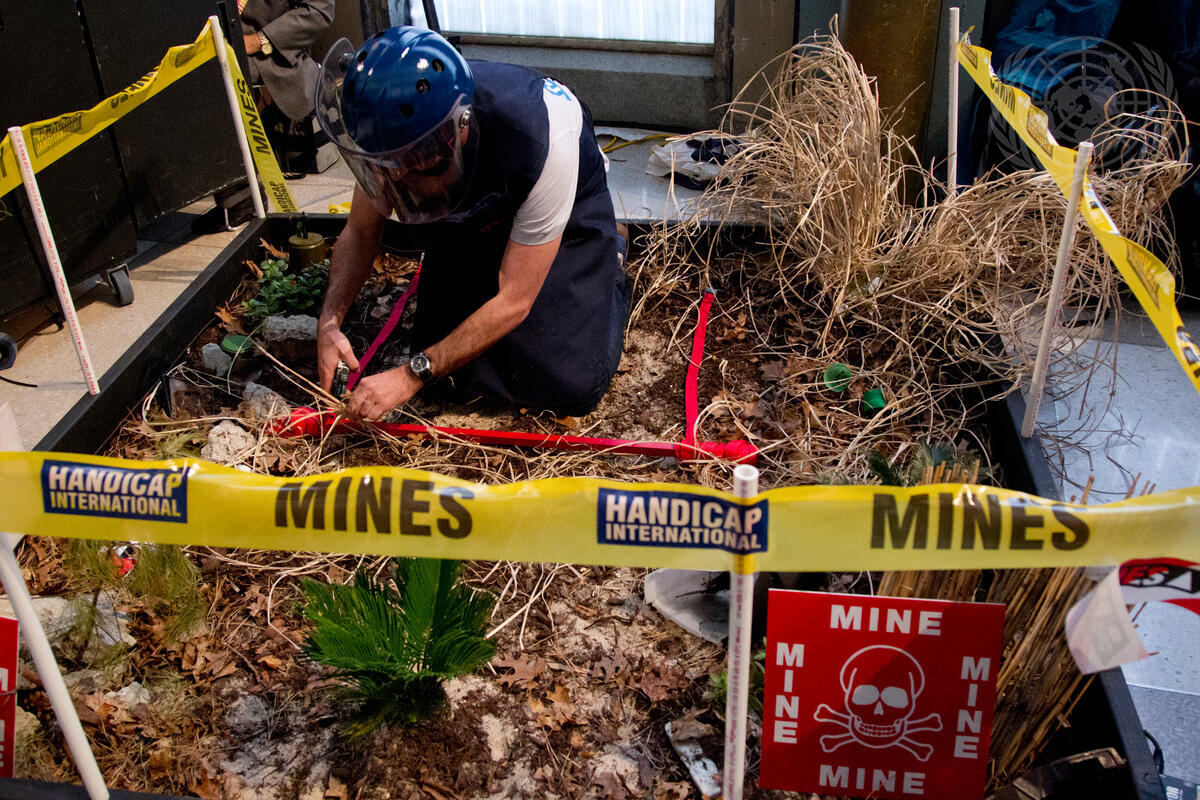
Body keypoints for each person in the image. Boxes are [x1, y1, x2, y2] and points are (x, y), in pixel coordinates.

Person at [314, 27, 629, 421]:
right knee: (452, 372)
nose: (397, 177)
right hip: (472, 207)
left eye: (414, 162)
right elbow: (361, 230)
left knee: (567, 383)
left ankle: (609, 263)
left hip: (561, 212)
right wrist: (329, 321)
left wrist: (412, 374)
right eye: (388, 164)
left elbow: (515, 299)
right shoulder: (390, 135)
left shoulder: (539, 134)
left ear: (458, 128)